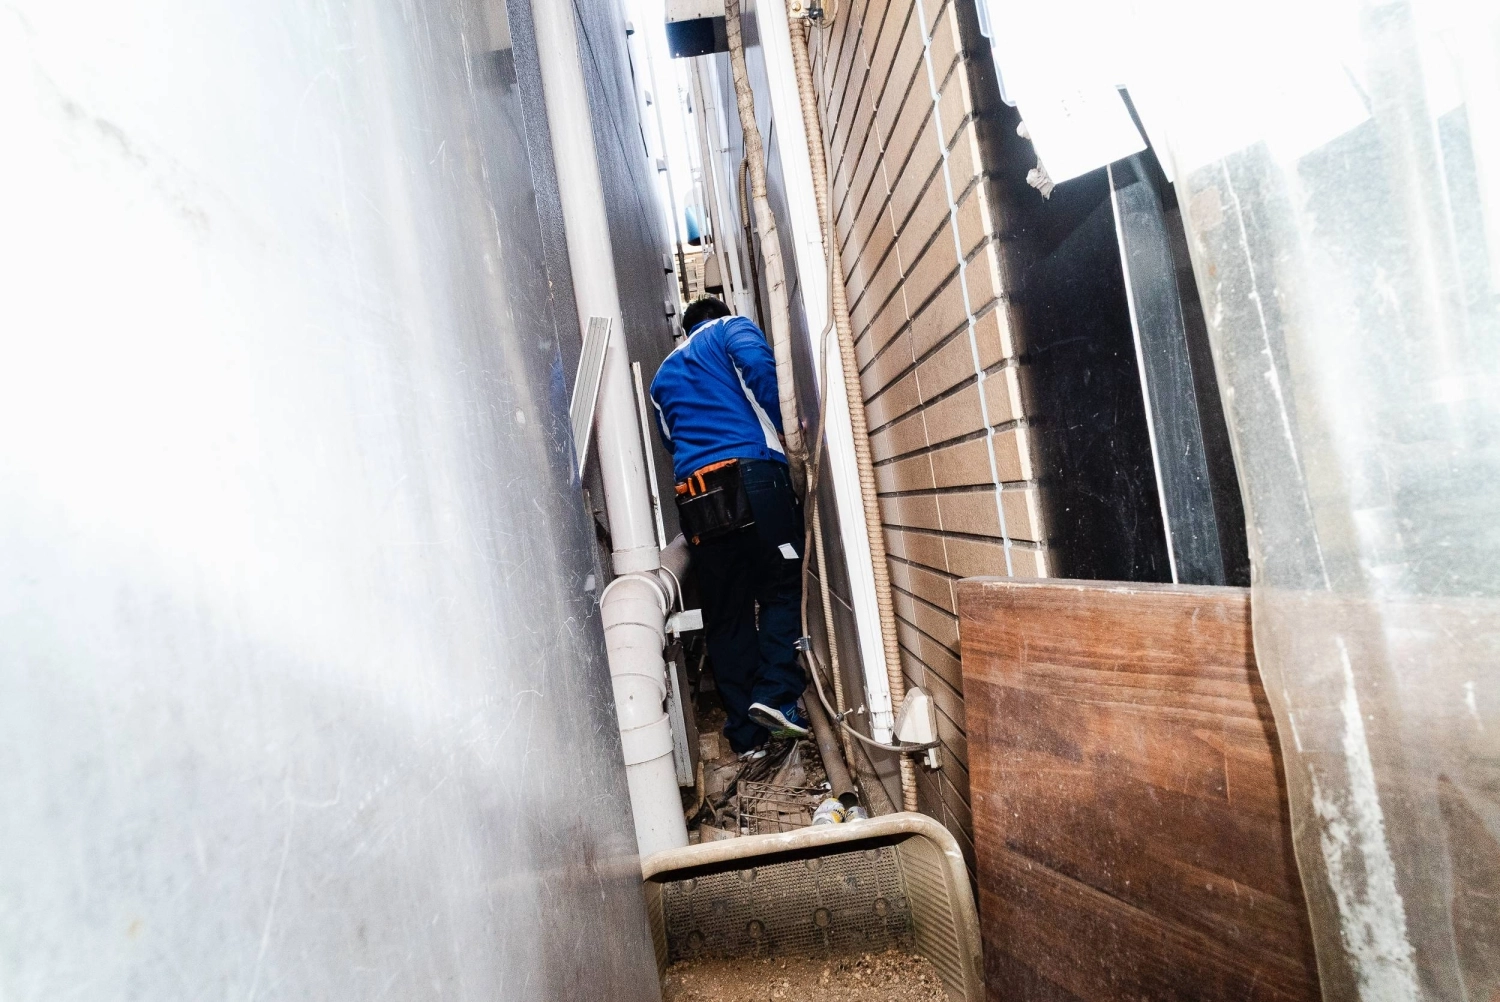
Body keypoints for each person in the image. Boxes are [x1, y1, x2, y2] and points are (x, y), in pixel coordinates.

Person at [649, 296, 810, 760]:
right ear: (720, 314)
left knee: (726, 611)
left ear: (685, 330)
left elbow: (670, 439)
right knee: (782, 587)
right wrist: (789, 431)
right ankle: (776, 694)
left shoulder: (661, 376)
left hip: (697, 496)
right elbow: (760, 370)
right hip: (752, 475)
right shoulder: (730, 328)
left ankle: (746, 736)